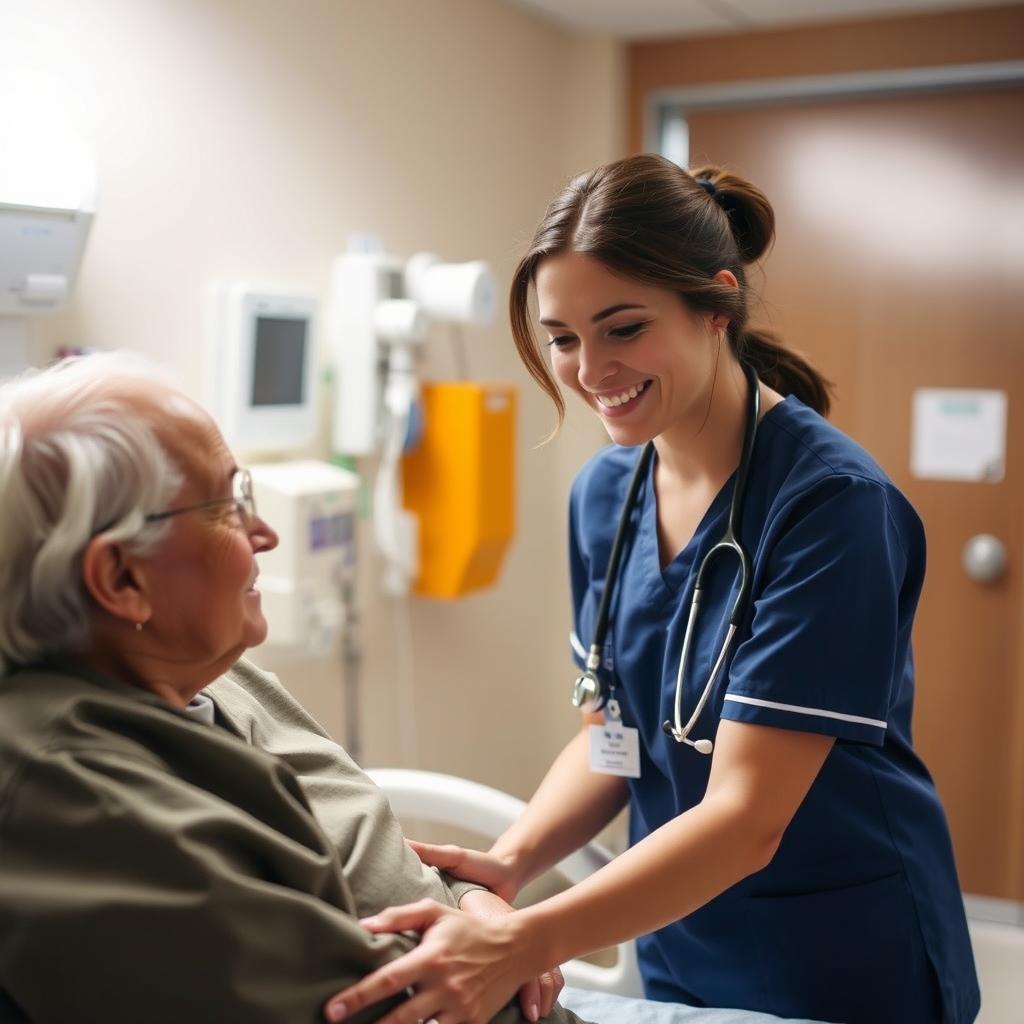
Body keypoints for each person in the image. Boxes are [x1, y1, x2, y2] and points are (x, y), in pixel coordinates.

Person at [327, 154, 981, 1024]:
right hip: (680, 934)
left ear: (716, 306)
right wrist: (510, 861)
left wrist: (525, 941)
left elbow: (749, 816)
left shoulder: (833, 507)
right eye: (562, 338)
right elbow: (615, 734)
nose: (590, 367)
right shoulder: (605, 495)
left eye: (624, 328)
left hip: (841, 953)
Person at [0, 353, 571, 1024]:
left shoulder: (213, 675)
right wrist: (502, 946)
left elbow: (367, 854)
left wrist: (471, 901)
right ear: (122, 579)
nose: (265, 533)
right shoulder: (80, 802)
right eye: (227, 506)